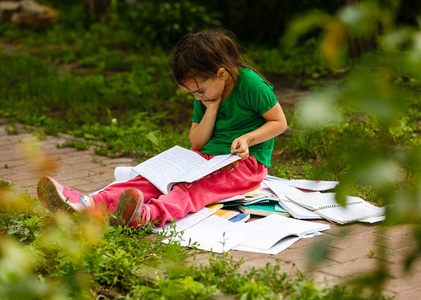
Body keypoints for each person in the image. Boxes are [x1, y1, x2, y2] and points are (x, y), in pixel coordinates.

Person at [37, 29, 288, 228]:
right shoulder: (205, 96)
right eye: (192, 94)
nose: (197, 97)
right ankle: (90, 203)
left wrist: (247, 139)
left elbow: (279, 122)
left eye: (200, 91)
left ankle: (146, 215)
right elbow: (198, 142)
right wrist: (210, 108)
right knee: (149, 178)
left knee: (191, 189)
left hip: (243, 164)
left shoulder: (251, 84)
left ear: (221, 74)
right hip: (204, 157)